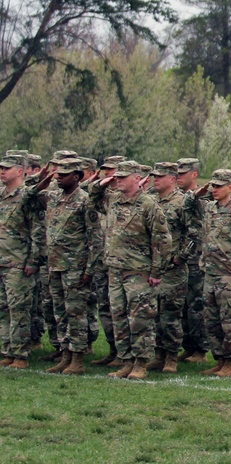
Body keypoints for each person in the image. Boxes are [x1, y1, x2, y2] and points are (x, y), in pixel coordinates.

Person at [90, 160, 171, 380]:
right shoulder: (113, 200)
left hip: (138, 271)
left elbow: (162, 241)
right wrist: (103, 182)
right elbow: (93, 196)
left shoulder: (148, 205)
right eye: (117, 177)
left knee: (140, 319)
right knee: (119, 319)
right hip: (115, 270)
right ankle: (126, 361)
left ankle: (141, 363)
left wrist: (156, 272)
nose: (118, 180)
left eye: (123, 177)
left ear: (137, 178)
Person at [29, 159, 103, 375]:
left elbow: (96, 239)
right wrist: (40, 178)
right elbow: (28, 195)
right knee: (60, 312)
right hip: (55, 265)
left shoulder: (85, 201)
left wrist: (89, 269)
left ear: (77, 177)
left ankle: (78, 359)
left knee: (76, 313)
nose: (58, 177)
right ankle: (65, 355)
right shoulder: (52, 197)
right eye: (57, 174)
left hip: (75, 268)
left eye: (64, 174)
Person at [186, 169, 231, 377]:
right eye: (212, 186)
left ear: (230, 187)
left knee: (230, 323)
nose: (214, 189)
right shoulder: (209, 208)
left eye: (219, 186)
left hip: (230, 278)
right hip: (210, 275)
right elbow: (189, 206)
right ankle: (219, 359)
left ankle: (230, 363)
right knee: (212, 322)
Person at [146, 162, 192, 374]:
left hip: (173, 270)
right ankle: (158, 354)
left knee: (171, 314)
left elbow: (194, 233)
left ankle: (172, 357)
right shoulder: (151, 201)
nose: (156, 179)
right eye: (154, 176)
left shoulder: (182, 203)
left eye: (160, 176)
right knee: (154, 312)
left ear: (172, 179)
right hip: (153, 267)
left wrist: (180, 258)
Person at [0, 152, 44, 370]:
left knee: (19, 310)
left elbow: (37, 231)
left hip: (19, 263)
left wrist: (33, 261)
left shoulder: (27, 197)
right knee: (3, 309)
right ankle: (8, 350)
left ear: (20, 171)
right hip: (2, 261)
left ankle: (21, 354)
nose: (2, 171)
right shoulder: (1, 195)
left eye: (6, 168)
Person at [90, 155, 126, 366]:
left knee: (121, 311)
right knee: (105, 308)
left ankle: (124, 353)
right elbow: (91, 193)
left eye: (112, 171)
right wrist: (102, 183)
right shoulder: (108, 198)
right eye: (105, 171)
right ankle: (113, 349)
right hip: (103, 262)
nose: (108, 174)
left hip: (122, 265)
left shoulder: (126, 198)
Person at [176, 158, 209, 363]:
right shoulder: (175, 197)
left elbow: (197, 232)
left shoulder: (202, 198)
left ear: (194, 174)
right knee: (182, 306)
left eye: (183, 173)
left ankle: (201, 349)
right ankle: (188, 346)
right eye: (177, 173)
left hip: (195, 259)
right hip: (178, 260)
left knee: (197, 304)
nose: (179, 177)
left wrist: (185, 254)